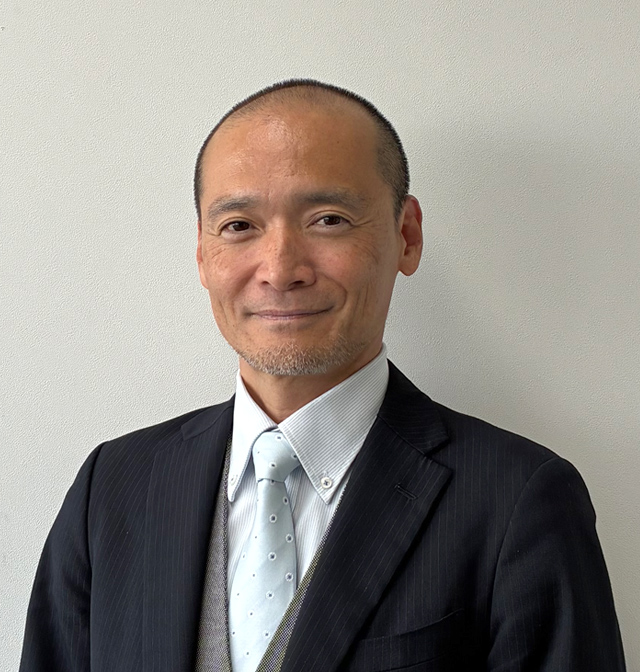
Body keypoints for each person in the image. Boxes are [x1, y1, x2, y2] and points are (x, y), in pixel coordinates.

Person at [19, 79, 626, 672]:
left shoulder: (519, 498)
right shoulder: (113, 487)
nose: (281, 269)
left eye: (329, 219)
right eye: (239, 226)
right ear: (202, 253)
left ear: (407, 236)